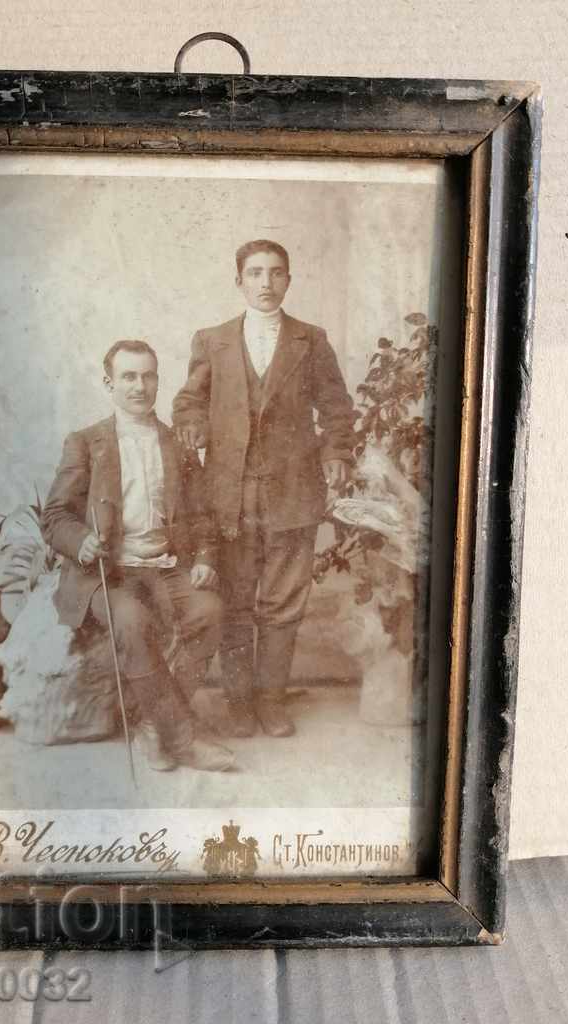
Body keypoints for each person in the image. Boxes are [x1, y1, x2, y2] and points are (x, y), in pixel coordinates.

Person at [173, 240, 355, 738]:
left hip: (294, 494)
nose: (266, 282)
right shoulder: (212, 341)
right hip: (228, 496)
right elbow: (190, 401)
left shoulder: (310, 340)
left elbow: (337, 407)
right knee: (233, 602)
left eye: (276, 273)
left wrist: (336, 453)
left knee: (282, 603)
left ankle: (271, 702)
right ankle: (237, 702)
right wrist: (192, 426)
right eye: (255, 273)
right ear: (239, 282)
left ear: (289, 281)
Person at [41, 339, 235, 772]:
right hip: (107, 572)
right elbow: (55, 516)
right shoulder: (87, 443)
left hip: (165, 567)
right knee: (132, 621)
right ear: (110, 383)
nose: (139, 385)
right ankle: (184, 739)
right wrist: (81, 541)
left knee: (210, 611)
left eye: (148, 376)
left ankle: (152, 725)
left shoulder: (176, 444)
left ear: (158, 382)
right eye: (128, 376)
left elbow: (203, 512)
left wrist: (204, 556)